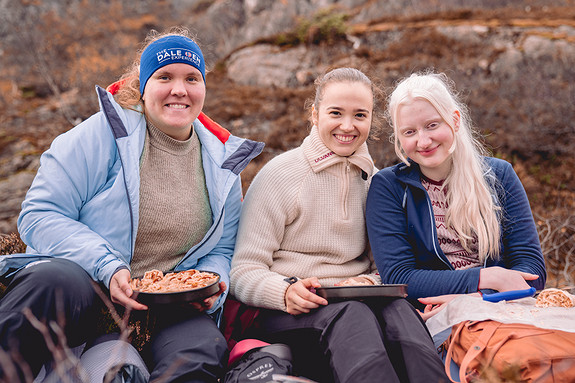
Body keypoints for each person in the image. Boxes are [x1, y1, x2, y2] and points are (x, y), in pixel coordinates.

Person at [0, 27, 263, 382]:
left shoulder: (223, 165)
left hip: (165, 305)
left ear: (204, 89)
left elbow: (223, 248)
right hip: (85, 287)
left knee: (201, 347)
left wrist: (211, 285)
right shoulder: (104, 134)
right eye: (164, 77)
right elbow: (39, 215)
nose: (179, 90)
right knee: (54, 282)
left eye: (192, 78)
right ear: (143, 86)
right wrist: (108, 266)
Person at [229, 68, 448, 383]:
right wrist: (285, 292)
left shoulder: (375, 181)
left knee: (399, 312)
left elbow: (381, 267)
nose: (348, 126)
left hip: (354, 303)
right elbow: (243, 271)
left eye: (360, 115)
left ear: (372, 120)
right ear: (315, 114)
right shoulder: (280, 175)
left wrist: (371, 282)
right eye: (336, 113)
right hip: (287, 312)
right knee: (351, 315)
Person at [365, 71, 546, 321]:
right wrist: (489, 277)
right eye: (409, 132)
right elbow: (400, 277)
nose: (423, 140)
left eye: (432, 125)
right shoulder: (389, 187)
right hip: (432, 316)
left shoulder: (499, 175)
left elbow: (533, 270)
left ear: (455, 120)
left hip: (506, 309)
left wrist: (476, 299)